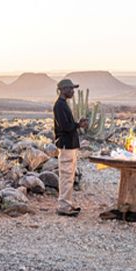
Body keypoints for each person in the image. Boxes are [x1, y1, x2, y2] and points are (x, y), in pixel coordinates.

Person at [52, 78, 88, 216]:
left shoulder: (63, 104)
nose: (73, 91)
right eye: (71, 89)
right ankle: (63, 206)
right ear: (63, 90)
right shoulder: (59, 106)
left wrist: (78, 124)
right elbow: (65, 127)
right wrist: (78, 125)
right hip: (66, 145)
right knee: (66, 175)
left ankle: (67, 203)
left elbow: (68, 125)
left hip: (69, 145)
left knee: (69, 175)